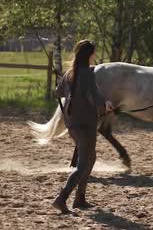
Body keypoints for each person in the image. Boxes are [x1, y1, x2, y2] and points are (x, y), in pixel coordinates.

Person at [52, 40, 113, 214]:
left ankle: (80, 198)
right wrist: (106, 103)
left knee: (91, 158)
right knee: (83, 164)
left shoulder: (69, 73)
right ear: (90, 54)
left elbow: (57, 93)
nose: (95, 55)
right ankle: (62, 198)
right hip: (86, 124)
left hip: (72, 124)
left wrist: (60, 82)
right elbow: (94, 93)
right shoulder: (87, 73)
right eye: (94, 53)